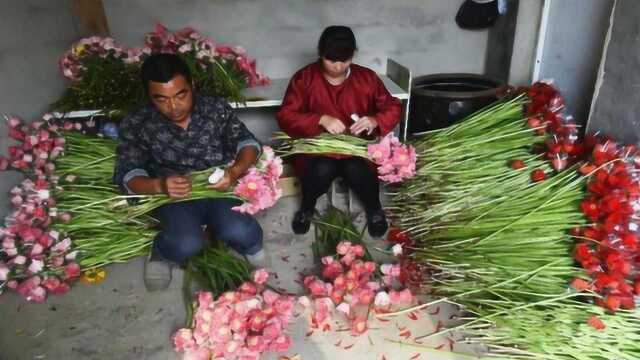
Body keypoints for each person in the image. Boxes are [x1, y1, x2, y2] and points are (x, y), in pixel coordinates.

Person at [113, 54, 266, 291]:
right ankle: (162, 252)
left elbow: (247, 143)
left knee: (239, 230)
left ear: (192, 85)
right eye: (161, 99)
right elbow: (127, 174)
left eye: (180, 95)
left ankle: (250, 246)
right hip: (175, 196)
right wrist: (160, 186)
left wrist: (234, 172)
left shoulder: (214, 109)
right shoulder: (138, 122)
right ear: (149, 96)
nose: (173, 107)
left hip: (219, 186)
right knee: (187, 244)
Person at [277, 25, 401, 237]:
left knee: (358, 170)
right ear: (320, 53)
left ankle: (374, 209)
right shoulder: (304, 78)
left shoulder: (367, 78)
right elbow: (285, 115)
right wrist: (320, 119)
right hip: (318, 149)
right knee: (320, 170)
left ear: (353, 56)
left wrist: (374, 120)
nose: (337, 66)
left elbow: (393, 107)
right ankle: (307, 208)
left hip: (355, 148)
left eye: (344, 60)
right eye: (330, 59)